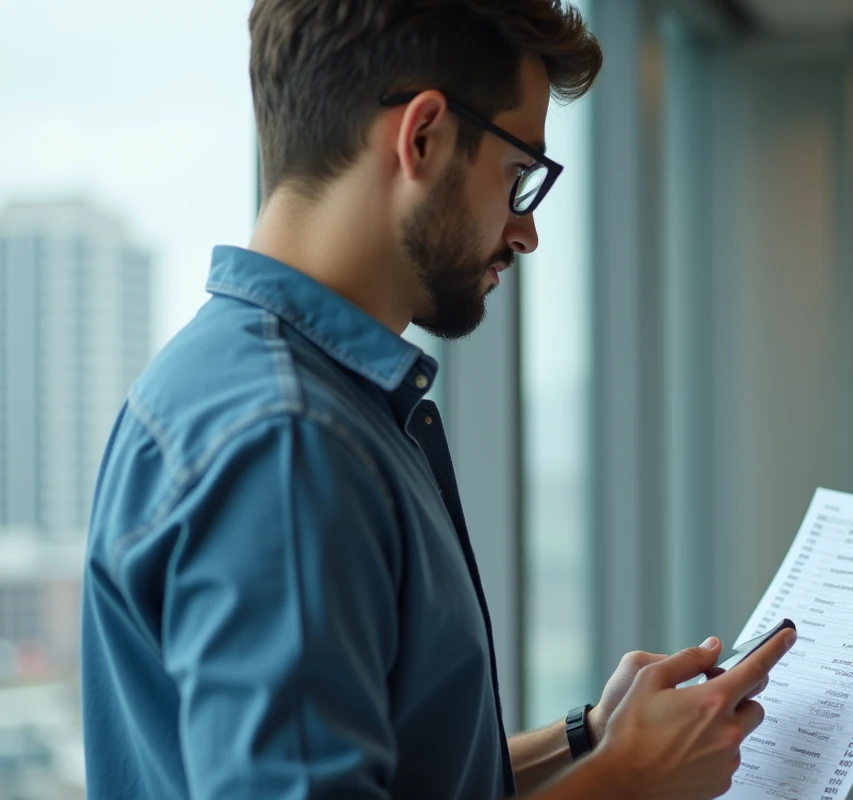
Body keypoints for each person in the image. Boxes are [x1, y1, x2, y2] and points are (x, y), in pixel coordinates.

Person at [80, 1, 796, 798]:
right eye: (519, 175)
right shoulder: (285, 441)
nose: (526, 235)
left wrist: (589, 736)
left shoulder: (268, 391)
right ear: (421, 137)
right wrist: (631, 777)